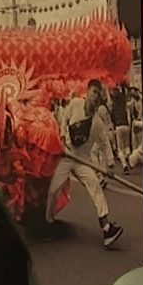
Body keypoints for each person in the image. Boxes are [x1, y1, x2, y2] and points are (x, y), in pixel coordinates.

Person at [44, 79, 124, 248]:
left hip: (83, 160)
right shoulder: (75, 104)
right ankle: (49, 224)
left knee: (95, 186)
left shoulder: (97, 123)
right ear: (87, 92)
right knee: (53, 190)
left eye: (98, 94)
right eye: (94, 92)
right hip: (67, 155)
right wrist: (62, 138)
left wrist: (110, 165)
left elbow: (104, 143)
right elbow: (64, 120)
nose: (95, 97)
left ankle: (107, 228)